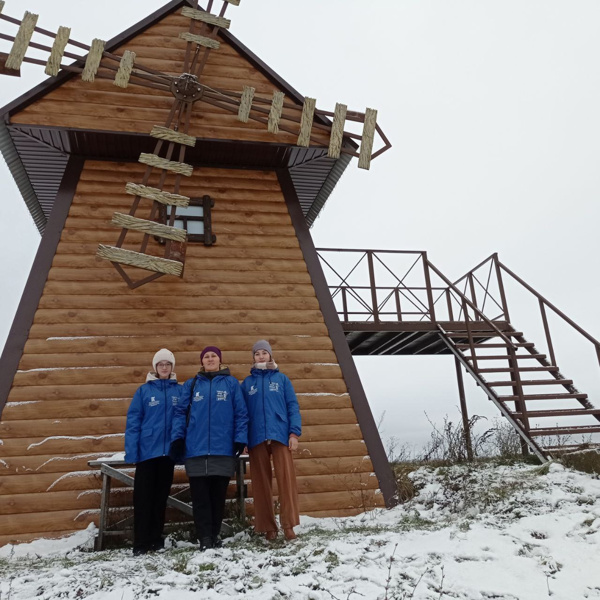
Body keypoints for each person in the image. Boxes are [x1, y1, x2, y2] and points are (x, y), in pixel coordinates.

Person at [170, 346, 248, 550]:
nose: (210, 359)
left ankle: (214, 535)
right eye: (207, 357)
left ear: (220, 360)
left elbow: (241, 413)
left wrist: (240, 439)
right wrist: (178, 437)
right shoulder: (192, 384)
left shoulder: (231, 384)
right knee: (200, 497)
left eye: (214, 356)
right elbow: (180, 412)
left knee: (217, 496)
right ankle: (204, 538)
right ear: (202, 362)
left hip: (223, 449)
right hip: (195, 449)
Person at [241, 340, 302, 541]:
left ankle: (289, 525)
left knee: (286, 481)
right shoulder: (247, 383)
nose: (261, 356)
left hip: (280, 435)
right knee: (261, 483)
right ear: (253, 357)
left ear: (270, 355)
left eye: (264, 353)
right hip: (256, 437)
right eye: (257, 353)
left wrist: (294, 434)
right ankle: (269, 527)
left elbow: (292, 406)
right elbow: (242, 413)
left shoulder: (282, 379)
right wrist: (243, 440)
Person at [124, 348, 182, 555]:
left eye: (167, 364)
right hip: (147, 453)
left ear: (172, 367)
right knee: (143, 499)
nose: (164, 367)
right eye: (160, 364)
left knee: (160, 498)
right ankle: (140, 542)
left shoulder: (179, 391)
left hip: (168, 454)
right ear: (155, 368)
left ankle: (156, 540)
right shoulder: (144, 391)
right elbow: (133, 422)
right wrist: (132, 451)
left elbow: (184, 418)